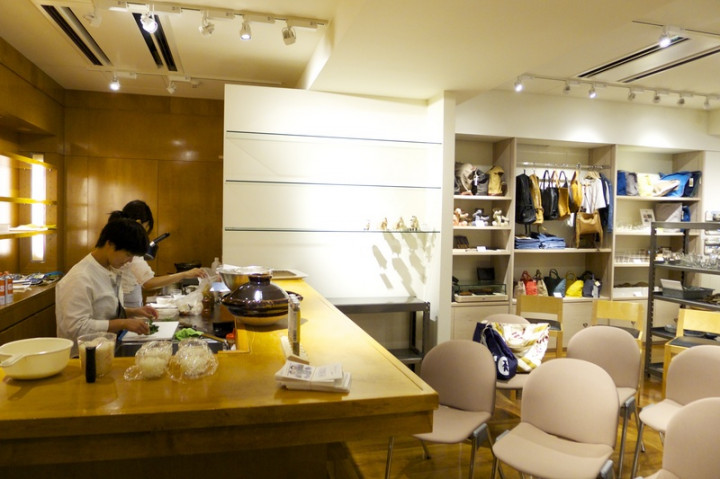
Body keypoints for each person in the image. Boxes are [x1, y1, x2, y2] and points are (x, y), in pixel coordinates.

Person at [56, 218, 157, 355]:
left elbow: (103, 311)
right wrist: (123, 323)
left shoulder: (109, 269)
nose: (130, 261)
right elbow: (76, 328)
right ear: (110, 244)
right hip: (83, 358)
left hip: (105, 350)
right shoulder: (80, 277)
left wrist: (134, 312)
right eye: (128, 254)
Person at [109, 200, 208, 308]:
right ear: (138, 223)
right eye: (146, 228)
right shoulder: (130, 247)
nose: (144, 235)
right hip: (127, 305)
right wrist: (184, 274)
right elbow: (148, 283)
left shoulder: (121, 242)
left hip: (127, 304)